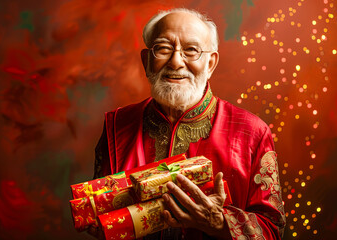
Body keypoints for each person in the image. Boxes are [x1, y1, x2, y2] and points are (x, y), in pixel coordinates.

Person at [92, 8, 286, 240]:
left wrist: (219, 222)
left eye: (191, 50)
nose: (175, 62)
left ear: (211, 63)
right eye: (163, 48)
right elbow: (100, 215)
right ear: (146, 60)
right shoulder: (118, 125)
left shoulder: (252, 132)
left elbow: (272, 229)